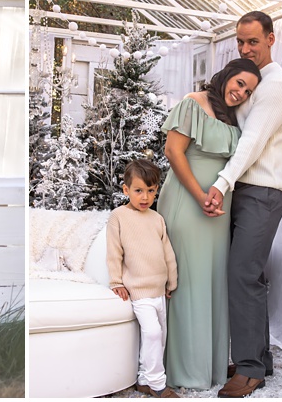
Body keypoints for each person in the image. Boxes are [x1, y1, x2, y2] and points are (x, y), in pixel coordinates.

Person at [204, 13, 282, 399]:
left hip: (265, 192)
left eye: (253, 42)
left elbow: (253, 141)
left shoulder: (277, 86)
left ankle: (249, 369)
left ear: (271, 39)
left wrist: (221, 183)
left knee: (242, 274)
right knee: (250, 277)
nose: (245, 49)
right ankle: (259, 360)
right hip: (247, 189)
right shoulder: (253, 82)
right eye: (240, 43)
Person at [158, 58, 261, 390]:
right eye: (239, 83)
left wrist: (214, 197)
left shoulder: (234, 117)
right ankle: (185, 369)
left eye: (248, 90)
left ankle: (212, 368)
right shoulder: (193, 103)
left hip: (217, 211)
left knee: (213, 282)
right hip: (188, 203)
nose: (241, 92)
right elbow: (173, 152)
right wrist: (200, 195)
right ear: (227, 76)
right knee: (188, 282)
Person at [106, 158, 179, 399]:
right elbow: (114, 251)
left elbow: (167, 251)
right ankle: (158, 384)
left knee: (162, 336)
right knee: (152, 333)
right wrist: (116, 281)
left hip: (159, 291)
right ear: (126, 190)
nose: (145, 197)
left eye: (151, 190)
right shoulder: (118, 217)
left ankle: (144, 379)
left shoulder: (156, 218)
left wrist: (172, 281)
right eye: (138, 191)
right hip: (139, 291)